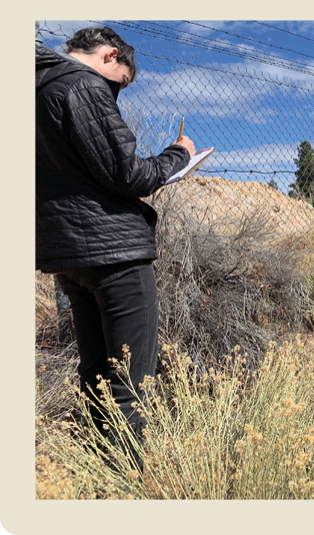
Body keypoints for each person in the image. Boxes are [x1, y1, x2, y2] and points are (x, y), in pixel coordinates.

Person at [36, 27, 195, 465]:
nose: (115, 94)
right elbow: (129, 174)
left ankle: (92, 470)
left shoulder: (32, 87)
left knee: (95, 372)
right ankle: (122, 481)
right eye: (119, 84)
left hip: (66, 254)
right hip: (115, 254)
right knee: (130, 378)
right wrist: (178, 155)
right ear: (109, 56)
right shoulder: (83, 85)